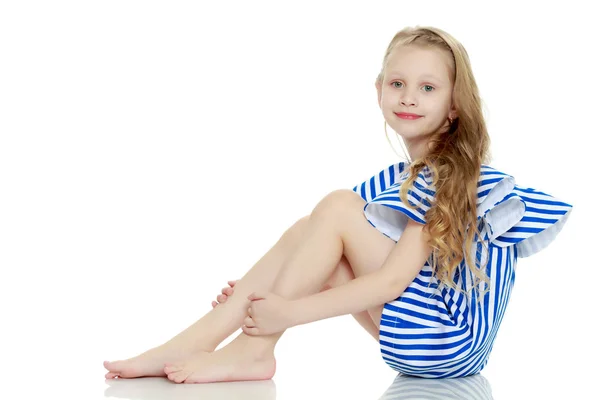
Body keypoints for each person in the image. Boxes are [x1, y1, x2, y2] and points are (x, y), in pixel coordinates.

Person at [103, 26, 574, 384]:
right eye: (397, 84)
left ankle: (253, 350)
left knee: (334, 208)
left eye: (428, 88)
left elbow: (390, 282)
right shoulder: (401, 178)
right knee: (308, 229)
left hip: (443, 340)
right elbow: (321, 244)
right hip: (439, 350)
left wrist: (284, 310)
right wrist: (257, 289)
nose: (408, 97)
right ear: (378, 91)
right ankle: (189, 343)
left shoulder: (448, 173)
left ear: (455, 105)